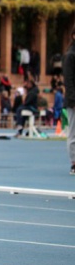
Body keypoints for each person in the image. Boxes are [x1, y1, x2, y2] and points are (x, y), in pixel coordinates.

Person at [63, 26, 75, 174]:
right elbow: (69, 80)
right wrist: (73, 100)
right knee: (73, 133)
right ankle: (74, 162)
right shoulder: (70, 55)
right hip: (73, 101)